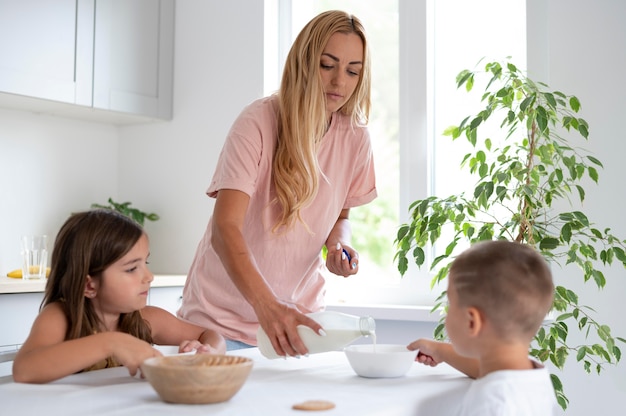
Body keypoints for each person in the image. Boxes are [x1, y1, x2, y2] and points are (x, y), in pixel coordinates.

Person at [178, 10, 376, 357]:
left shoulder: (356, 138)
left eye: (352, 71)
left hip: (298, 324)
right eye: (327, 65)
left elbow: (340, 216)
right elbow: (226, 228)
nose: (339, 82)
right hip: (222, 325)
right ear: (304, 62)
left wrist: (337, 247)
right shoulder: (258, 122)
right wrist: (266, 306)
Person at [12, 209, 226, 384]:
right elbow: (24, 370)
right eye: (132, 268)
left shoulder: (146, 318)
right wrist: (110, 343)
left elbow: (209, 334)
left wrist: (209, 352)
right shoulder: (60, 317)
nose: (149, 276)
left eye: (146, 263)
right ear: (89, 285)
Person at [407, 240, 559, 415]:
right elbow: (483, 369)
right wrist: (439, 350)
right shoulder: (528, 374)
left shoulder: (492, 406)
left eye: (450, 304)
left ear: (471, 321)